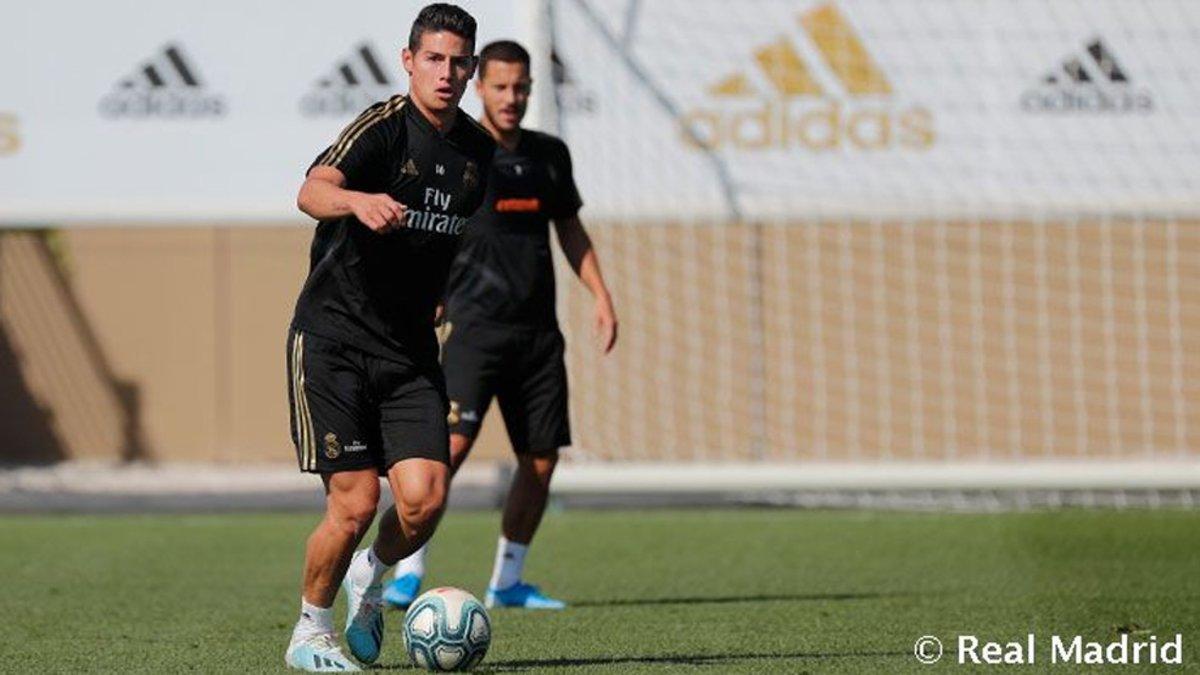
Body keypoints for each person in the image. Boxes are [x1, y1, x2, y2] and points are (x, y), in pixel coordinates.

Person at [283, 4, 494, 671]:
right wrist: (357, 201)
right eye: (434, 59)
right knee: (355, 502)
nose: (447, 73)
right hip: (333, 341)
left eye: (459, 62)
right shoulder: (382, 127)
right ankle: (310, 633)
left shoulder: (478, 152)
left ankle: (369, 578)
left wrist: (442, 291)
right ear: (409, 61)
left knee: (426, 498)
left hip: (407, 352)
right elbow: (310, 190)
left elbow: (456, 238)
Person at [381, 40, 618, 611]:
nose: (511, 98)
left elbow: (570, 230)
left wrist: (602, 295)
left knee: (541, 461)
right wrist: (424, 294)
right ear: (479, 86)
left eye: (521, 88)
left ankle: (507, 581)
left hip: (537, 336)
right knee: (445, 456)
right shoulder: (457, 151)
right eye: (500, 86)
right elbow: (422, 227)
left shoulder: (549, 155)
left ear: (531, 90)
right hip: (471, 332)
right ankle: (405, 572)